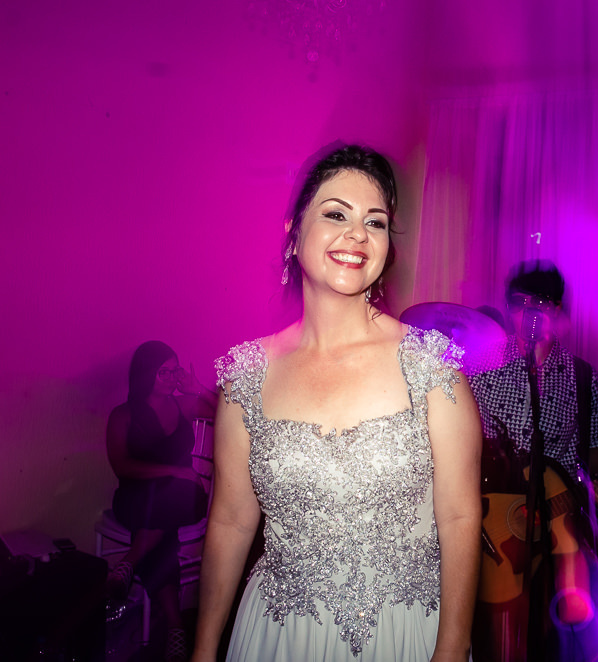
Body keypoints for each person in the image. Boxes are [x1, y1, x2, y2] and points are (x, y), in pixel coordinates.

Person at [191, 144, 482, 662]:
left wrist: (453, 646)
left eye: (375, 222)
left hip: (403, 634)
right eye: (335, 214)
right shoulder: (246, 376)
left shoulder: (432, 370)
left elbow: (460, 516)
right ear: (292, 233)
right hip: (278, 636)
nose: (357, 235)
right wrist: (204, 648)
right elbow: (232, 521)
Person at [469, 260, 598, 661]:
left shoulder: (584, 378)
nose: (530, 313)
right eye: (520, 303)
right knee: (497, 636)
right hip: (493, 522)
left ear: (558, 311)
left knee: (554, 632)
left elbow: (595, 455)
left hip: (556, 523)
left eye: (540, 303)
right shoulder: (479, 364)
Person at [105, 340, 217, 662]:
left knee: (168, 507)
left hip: (182, 498)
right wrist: (174, 470)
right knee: (162, 535)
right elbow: (122, 466)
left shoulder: (183, 405)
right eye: (163, 372)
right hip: (137, 498)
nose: (171, 378)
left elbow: (227, 415)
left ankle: (128, 563)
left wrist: (198, 388)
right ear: (145, 374)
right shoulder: (123, 415)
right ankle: (176, 627)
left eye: (174, 370)